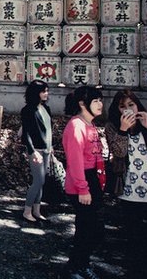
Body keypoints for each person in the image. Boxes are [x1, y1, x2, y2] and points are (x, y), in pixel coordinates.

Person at [104, 90, 147, 279]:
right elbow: (119, 153)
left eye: (131, 104)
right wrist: (123, 130)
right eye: (122, 106)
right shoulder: (112, 127)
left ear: (138, 105)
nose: (128, 109)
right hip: (128, 189)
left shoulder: (146, 123)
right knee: (133, 235)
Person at [62, 86, 105, 279]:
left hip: (92, 180)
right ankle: (74, 268)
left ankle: (82, 264)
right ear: (82, 103)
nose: (100, 104)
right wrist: (83, 188)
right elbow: (76, 161)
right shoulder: (76, 126)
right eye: (95, 101)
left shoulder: (90, 124)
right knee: (86, 228)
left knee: (91, 228)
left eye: (100, 100)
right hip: (82, 181)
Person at [20, 80, 52, 223]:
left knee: (42, 181)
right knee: (38, 181)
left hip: (46, 149)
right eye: (43, 91)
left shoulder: (46, 108)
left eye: (47, 91)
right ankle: (27, 210)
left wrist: (50, 147)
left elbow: (48, 130)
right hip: (36, 150)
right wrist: (32, 151)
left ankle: (37, 210)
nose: (46, 94)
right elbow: (26, 133)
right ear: (35, 93)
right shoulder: (28, 110)